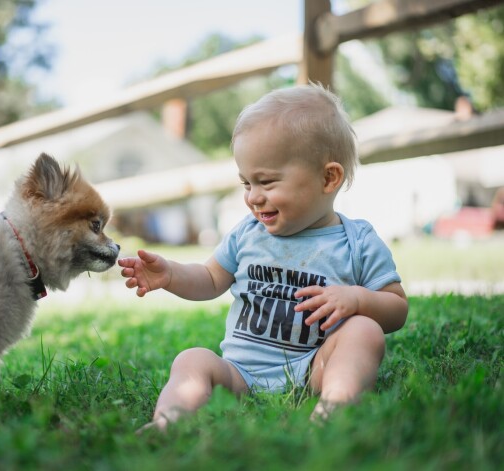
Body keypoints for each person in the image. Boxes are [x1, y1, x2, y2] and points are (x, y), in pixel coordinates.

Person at [118, 83, 408, 430]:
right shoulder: (247, 233)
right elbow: (210, 279)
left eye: (267, 182)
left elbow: (396, 308)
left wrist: (357, 299)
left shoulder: (356, 241)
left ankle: (334, 408)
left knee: (365, 331)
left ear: (328, 178)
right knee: (192, 359)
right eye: (246, 183)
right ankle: (169, 422)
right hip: (239, 374)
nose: (253, 197)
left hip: (314, 369)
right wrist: (171, 275)